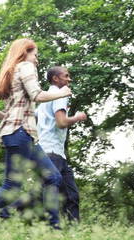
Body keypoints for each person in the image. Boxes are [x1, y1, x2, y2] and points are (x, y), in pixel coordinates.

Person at [0, 38, 72, 229]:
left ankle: (55, 228)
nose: (36, 60)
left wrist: (8, 118)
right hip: (20, 133)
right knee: (12, 186)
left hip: (22, 133)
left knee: (53, 177)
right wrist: (63, 92)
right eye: (35, 54)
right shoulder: (26, 66)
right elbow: (37, 95)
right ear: (26, 52)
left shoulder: (9, 71)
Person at [36, 66, 87, 222]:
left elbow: (35, 118)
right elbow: (61, 122)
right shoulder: (60, 94)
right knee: (50, 195)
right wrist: (77, 117)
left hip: (53, 153)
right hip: (51, 153)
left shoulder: (45, 99)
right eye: (66, 76)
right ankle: (8, 213)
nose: (69, 79)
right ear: (55, 79)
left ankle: (72, 235)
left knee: (71, 196)